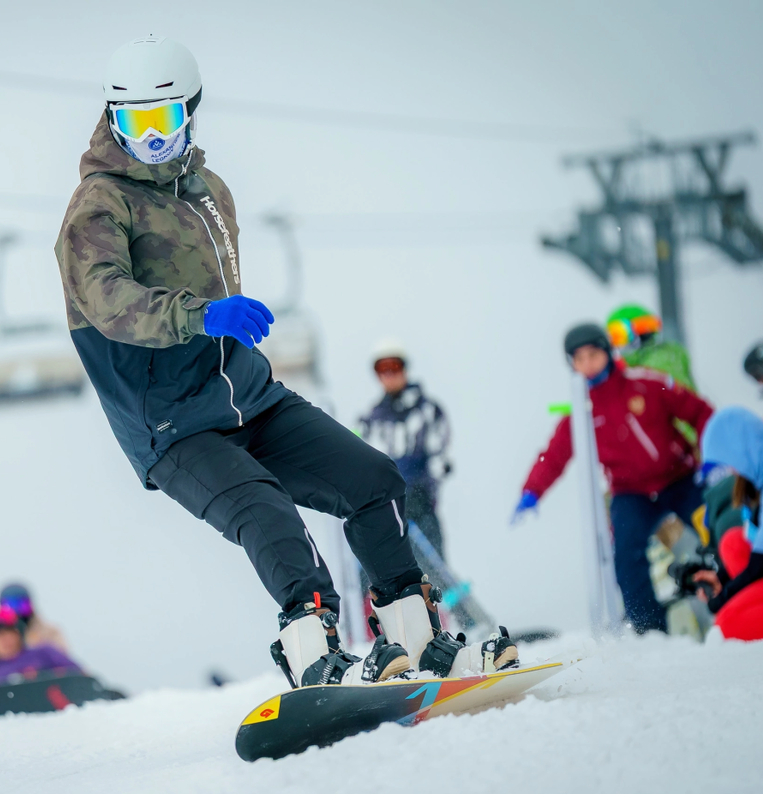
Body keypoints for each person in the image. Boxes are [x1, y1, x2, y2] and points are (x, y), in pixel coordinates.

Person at [54, 35, 518, 689]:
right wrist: (200, 315)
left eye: (163, 118)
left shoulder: (210, 190)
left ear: (190, 111)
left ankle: (420, 641)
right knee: (266, 511)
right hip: (172, 425)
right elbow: (106, 298)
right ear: (113, 119)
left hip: (251, 398)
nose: (151, 137)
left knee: (373, 480)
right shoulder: (100, 204)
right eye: (135, 122)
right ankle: (313, 656)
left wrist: (226, 331)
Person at [513, 323, 714, 633]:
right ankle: (649, 630)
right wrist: (532, 490)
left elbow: (701, 412)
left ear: (607, 352)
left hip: (680, 478)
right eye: (578, 359)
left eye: (593, 355)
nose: (587, 364)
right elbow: (554, 454)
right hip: (631, 492)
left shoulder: (646, 383)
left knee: (714, 525)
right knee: (625, 554)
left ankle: (733, 592)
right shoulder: (582, 411)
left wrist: (713, 458)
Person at [359, 338, 453, 557]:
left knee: (429, 563)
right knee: (374, 561)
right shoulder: (371, 420)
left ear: (404, 369)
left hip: (421, 509)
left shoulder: (427, 411)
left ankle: (436, 578)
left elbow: (439, 459)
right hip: (386, 512)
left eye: (394, 367)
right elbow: (362, 464)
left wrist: (421, 492)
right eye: (382, 369)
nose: (389, 375)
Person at [690, 407, 763, 640]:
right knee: (734, 542)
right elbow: (755, 547)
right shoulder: (761, 482)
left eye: (732, 462)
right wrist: (721, 580)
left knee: (727, 623)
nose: (733, 471)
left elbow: (762, 564)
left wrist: (723, 597)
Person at [0, 583, 69, 677]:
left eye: (23, 605)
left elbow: (63, 658)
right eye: (10, 605)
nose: (17, 610)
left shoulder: (48, 634)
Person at [0, 607, 83, 684]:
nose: (6, 641)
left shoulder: (44, 653)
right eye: (0, 637)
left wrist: (48, 675)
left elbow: (80, 676)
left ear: (20, 636)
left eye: (11, 634)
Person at [606, 304, 696, 390]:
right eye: (614, 336)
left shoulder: (661, 360)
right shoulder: (628, 365)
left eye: (620, 335)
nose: (616, 344)